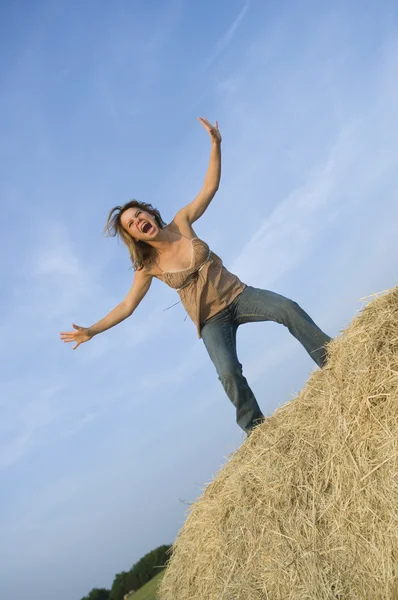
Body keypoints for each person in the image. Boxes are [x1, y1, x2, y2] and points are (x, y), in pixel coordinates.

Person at [60, 117, 331, 433]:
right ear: (134, 237)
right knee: (228, 373)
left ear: (149, 213)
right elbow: (126, 306)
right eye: (131, 225)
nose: (137, 223)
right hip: (212, 321)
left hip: (239, 295)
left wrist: (216, 144)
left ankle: (332, 360)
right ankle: (257, 431)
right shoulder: (147, 267)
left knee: (287, 309)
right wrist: (92, 330)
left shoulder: (182, 222)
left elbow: (210, 187)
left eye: (138, 216)